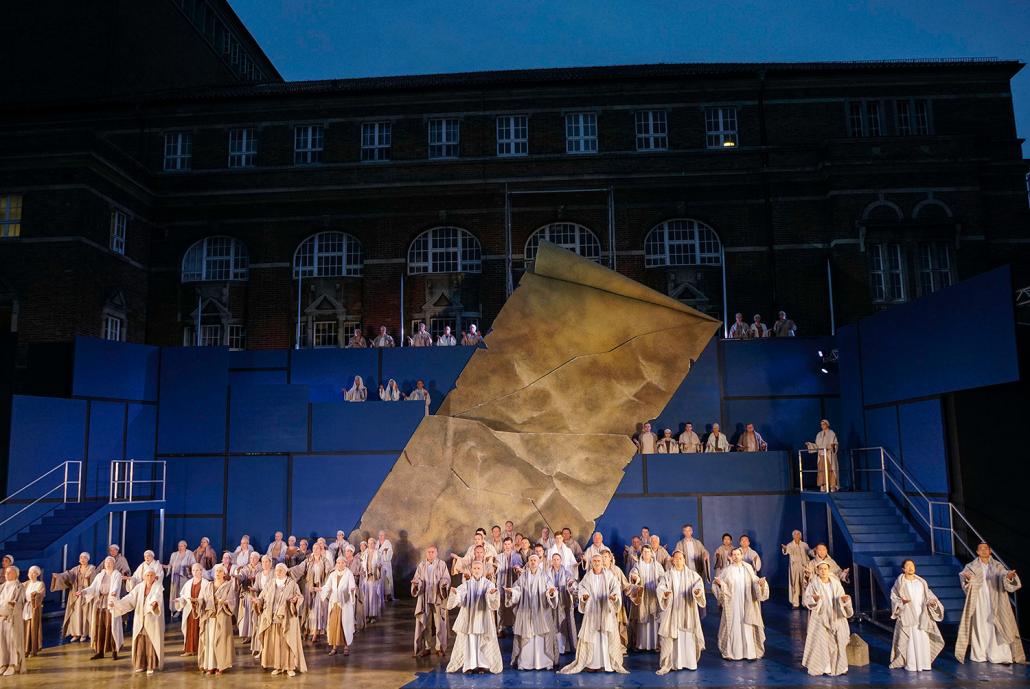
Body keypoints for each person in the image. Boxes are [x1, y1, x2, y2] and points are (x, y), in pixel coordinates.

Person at [955, 543, 1025, 664]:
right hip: (979, 600)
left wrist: (1008, 577)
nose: (984, 550)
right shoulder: (971, 566)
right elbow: (965, 581)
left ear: (990, 551)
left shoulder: (997, 565)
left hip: (996, 599)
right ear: (977, 552)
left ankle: (999, 655)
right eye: (981, 549)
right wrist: (967, 579)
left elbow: (1004, 575)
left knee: (998, 625)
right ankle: (981, 654)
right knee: (981, 625)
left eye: (986, 548)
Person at [559, 554, 628, 674]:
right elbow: (582, 588)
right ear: (592, 562)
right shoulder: (588, 576)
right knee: (592, 636)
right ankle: (592, 663)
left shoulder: (609, 575)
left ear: (602, 562)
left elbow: (616, 587)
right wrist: (584, 596)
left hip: (605, 610)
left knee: (605, 635)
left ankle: (608, 663)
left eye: (599, 561)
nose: (596, 563)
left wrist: (614, 596)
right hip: (592, 612)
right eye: (594, 561)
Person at [711, 548, 769, 660]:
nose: (736, 556)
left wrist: (760, 583)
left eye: (738, 554)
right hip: (733, 603)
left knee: (747, 624)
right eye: (733, 555)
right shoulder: (727, 570)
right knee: (734, 625)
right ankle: (732, 653)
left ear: (742, 555)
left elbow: (754, 580)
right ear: (731, 557)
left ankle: (750, 653)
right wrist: (719, 584)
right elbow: (719, 582)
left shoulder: (748, 568)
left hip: (747, 601)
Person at [446, 560, 502, 674]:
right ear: (471, 570)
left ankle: (482, 665)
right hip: (469, 617)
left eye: (479, 569)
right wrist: (456, 593)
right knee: (470, 640)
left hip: (483, 617)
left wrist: (492, 594)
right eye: (475, 568)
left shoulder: (488, 584)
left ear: (483, 571)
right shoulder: (466, 584)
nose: (476, 570)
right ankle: (469, 665)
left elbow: (492, 598)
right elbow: (460, 594)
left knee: (481, 639)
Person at [655, 550, 706, 674]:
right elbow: (661, 586)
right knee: (673, 636)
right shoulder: (667, 575)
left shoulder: (692, 575)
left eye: (681, 558)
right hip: (673, 611)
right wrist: (665, 593)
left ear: (684, 560)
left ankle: (689, 662)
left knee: (688, 636)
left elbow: (699, 585)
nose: (678, 561)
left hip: (687, 610)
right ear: (672, 560)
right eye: (676, 559)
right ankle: (674, 663)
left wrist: (698, 592)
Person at [505, 553, 559, 670]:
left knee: (542, 636)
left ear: (539, 562)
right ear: (528, 563)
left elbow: (551, 589)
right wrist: (512, 592)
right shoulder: (523, 577)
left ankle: (545, 663)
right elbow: (517, 589)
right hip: (527, 612)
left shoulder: (545, 576)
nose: (533, 562)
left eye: (535, 560)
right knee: (526, 635)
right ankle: (525, 663)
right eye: (531, 560)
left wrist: (551, 593)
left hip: (541, 612)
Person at [889, 559, 944, 671]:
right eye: (908, 565)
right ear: (903, 569)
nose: (911, 567)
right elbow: (894, 598)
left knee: (923, 639)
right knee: (910, 642)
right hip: (908, 615)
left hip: (921, 615)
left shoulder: (921, 583)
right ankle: (912, 665)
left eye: (912, 565)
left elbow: (929, 596)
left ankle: (924, 664)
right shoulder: (900, 583)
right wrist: (901, 602)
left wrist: (933, 603)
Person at [801, 562, 853, 676]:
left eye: (825, 569)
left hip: (836, 616)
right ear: (818, 571)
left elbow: (842, 596)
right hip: (821, 618)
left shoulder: (835, 583)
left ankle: (841, 667)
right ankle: (825, 667)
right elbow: (806, 599)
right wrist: (814, 599)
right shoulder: (814, 584)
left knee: (838, 642)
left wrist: (845, 600)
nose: (823, 571)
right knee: (822, 644)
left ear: (828, 570)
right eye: (821, 569)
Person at [255, 563, 306, 676]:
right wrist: (258, 601)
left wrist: (295, 600)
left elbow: (300, 597)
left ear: (285, 571)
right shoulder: (271, 583)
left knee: (286, 642)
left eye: (281, 570)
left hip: (287, 619)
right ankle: (278, 666)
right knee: (275, 643)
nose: (278, 572)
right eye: (277, 570)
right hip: (272, 618)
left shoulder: (292, 584)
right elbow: (262, 597)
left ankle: (289, 667)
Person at [112, 567, 164, 675]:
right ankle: (141, 664)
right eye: (147, 575)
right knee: (140, 641)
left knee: (151, 641)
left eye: (151, 575)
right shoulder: (139, 587)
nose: (149, 577)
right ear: (144, 576)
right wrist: (117, 603)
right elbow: (130, 598)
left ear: (155, 576)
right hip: (140, 617)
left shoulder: (158, 587)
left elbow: (157, 596)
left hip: (151, 618)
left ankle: (150, 665)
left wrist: (154, 602)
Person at [81, 556, 124, 660]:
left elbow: (116, 586)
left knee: (111, 627)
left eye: (110, 562)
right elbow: (93, 587)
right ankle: (100, 651)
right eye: (106, 562)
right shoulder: (100, 575)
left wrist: (113, 593)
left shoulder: (116, 574)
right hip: (100, 603)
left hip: (111, 603)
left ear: (113, 564)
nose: (108, 564)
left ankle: (114, 651)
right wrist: (84, 591)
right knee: (99, 627)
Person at [411, 546, 450, 657]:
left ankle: (439, 647)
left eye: (432, 552)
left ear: (436, 553)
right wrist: (416, 583)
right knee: (425, 623)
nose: (430, 554)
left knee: (439, 624)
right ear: (426, 553)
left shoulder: (442, 565)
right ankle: (427, 647)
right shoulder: (422, 565)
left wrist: (444, 583)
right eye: (428, 552)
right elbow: (417, 578)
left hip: (437, 597)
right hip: (425, 598)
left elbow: (446, 578)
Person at [199, 564, 236, 675]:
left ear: (224, 574)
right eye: (216, 571)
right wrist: (197, 601)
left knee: (220, 641)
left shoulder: (228, 586)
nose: (218, 573)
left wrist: (224, 602)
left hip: (222, 617)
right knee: (210, 641)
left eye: (220, 571)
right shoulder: (208, 585)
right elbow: (203, 598)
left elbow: (232, 600)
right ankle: (211, 666)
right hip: (210, 616)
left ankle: (221, 666)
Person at [50, 552, 94, 642]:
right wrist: (58, 576)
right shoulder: (76, 569)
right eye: (81, 557)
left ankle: (84, 633)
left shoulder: (91, 568)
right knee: (75, 614)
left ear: (88, 559)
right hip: (75, 593)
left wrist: (87, 580)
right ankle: (76, 633)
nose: (82, 559)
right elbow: (67, 574)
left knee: (84, 614)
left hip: (85, 594)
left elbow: (93, 579)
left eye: (85, 557)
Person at [628, 545, 665, 651]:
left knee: (653, 618)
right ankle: (641, 644)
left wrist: (661, 582)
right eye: (644, 552)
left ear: (651, 553)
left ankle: (655, 644)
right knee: (642, 619)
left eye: (648, 552)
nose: (646, 554)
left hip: (653, 594)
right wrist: (635, 577)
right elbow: (634, 573)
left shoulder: (657, 565)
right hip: (643, 595)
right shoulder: (638, 564)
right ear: (642, 553)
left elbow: (662, 576)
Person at [322, 556, 357, 656]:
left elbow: (351, 586)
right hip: (334, 603)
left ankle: (346, 646)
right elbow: (327, 586)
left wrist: (351, 590)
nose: (340, 565)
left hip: (344, 603)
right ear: (336, 564)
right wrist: (321, 589)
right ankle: (334, 647)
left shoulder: (348, 574)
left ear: (345, 564)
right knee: (333, 624)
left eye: (342, 563)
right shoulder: (333, 574)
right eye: (338, 563)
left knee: (344, 624)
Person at [174, 563, 210, 657]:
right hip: (190, 610)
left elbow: (209, 598)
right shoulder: (188, 583)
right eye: (193, 570)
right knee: (190, 629)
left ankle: (201, 649)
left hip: (200, 610)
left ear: (201, 571)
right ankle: (189, 650)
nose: (195, 572)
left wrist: (199, 601)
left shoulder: (206, 583)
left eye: (197, 570)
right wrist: (179, 600)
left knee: (200, 629)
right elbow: (184, 596)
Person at [546, 552, 578, 655]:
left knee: (564, 622)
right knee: (554, 623)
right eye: (554, 559)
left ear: (561, 561)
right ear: (551, 561)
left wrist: (571, 584)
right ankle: (555, 647)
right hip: (552, 600)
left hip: (564, 600)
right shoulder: (547, 572)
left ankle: (566, 647)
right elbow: (545, 583)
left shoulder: (566, 572)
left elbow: (571, 582)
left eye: (557, 559)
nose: (556, 561)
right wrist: (550, 590)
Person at [0, 566, 26, 676]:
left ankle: (13, 664)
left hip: (13, 618)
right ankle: (3, 664)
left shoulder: (19, 586)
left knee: (13, 642)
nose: (6, 574)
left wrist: (13, 605)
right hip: (1, 617)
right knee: (2, 642)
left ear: (16, 574)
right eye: (6, 572)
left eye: (9, 573)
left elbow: (21, 602)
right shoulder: (2, 586)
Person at [495, 538, 523, 635]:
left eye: (509, 544)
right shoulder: (499, 557)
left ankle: (516, 628)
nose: (507, 546)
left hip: (513, 583)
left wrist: (517, 569)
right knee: (500, 607)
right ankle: (500, 628)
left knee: (515, 606)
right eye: (505, 544)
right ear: (503, 545)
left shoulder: (517, 556)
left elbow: (520, 568)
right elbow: (496, 569)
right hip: (501, 584)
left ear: (512, 545)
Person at [233, 551, 262, 643]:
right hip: (247, 593)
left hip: (257, 595)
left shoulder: (261, 567)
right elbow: (242, 575)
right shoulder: (246, 567)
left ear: (258, 559)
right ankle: (247, 634)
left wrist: (255, 578)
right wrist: (238, 577)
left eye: (254, 558)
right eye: (251, 558)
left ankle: (255, 634)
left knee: (254, 615)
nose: (252, 560)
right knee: (246, 615)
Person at [166, 540, 196, 616]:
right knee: (175, 593)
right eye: (179, 546)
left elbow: (193, 564)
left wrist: (188, 568)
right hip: (175, 577)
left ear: (185, 546)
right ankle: (175, 609)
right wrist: (165, 566)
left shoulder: (189, 554)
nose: (180, 547)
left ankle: (182, 610)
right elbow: (170, 565)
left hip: (184, 577)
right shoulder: (174, 554)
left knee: (183, 593)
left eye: (182, 546)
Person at [781, 530, 811, 608]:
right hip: (795, 567)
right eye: (795, 534)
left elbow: (809, 552)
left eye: (798, 534)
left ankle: (805, 602)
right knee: (795, 584)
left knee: (805, 583)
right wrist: (785, 549)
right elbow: (787, 551)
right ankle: (795, 603)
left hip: (804, 567)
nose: (797, 535)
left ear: (800, 536)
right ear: (793, 536)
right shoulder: (790, 545)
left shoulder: (804, 545)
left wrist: (814, 551)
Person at [360, 538, 384, 624]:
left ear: (374, 544)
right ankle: (367, 615)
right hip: (366, 578)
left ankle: (373, 615)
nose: (370, 545)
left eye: (372, 543)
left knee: (373, 597)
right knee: (366, 597)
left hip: (374, 578)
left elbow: (381, 564)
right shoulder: (365, 553)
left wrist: (379, 567)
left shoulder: (378, 553)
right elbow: (362, 564)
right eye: (369, 543)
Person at [22, 565, 44, 658]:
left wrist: (35, 595)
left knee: (33, 628)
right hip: (26, 607)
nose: (31, 574)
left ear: (37, 574)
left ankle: (33, 650)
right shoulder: (25, 584)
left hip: (35, 608)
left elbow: (41, 594)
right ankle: (25, 649)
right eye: (30, 573)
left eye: (34, 573)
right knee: (25, 628)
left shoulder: (40, 584)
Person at [814, 419, 839, 491]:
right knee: (822, 470)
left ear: (827, 424)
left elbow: (835, 443)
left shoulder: (831, 433)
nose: (822, 426)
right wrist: (810, 445)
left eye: (823, 424)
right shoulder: (819, 434)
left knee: (831, 469)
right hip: (822, 455)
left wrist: (833, 445)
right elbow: (817, 445)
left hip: (829, 455)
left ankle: (832, 485)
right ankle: (823, 485)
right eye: (821, 424)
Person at [377, 530, 395, 602]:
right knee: (380, 579)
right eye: (380, 535)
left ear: (385, 536)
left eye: (382, 535)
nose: (381, 537)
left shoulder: (387, 542)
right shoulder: (377, 543)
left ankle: (388, 596)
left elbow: (390, 552)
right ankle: (381, 595)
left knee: (387, 579)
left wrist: (385, 552)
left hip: (386, 563)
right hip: (379, 563)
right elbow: (376, 552)